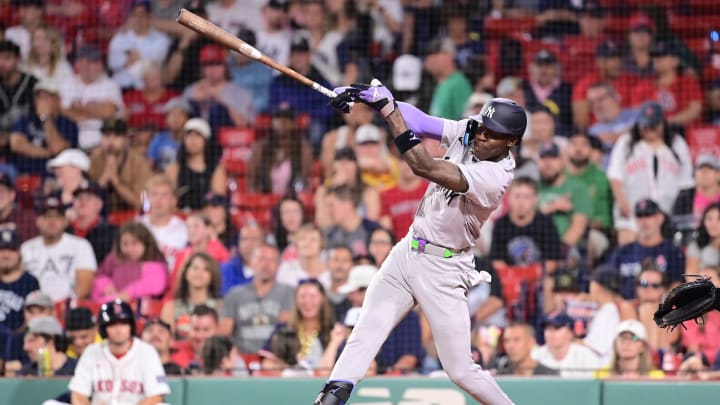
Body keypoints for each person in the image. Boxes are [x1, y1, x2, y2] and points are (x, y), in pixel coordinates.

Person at [316, 83, 528, 403]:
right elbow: (421, 122)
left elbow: (423, 165)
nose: (482, 134)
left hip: (444, 267)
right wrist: (370, 99)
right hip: (409, 249)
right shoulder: (473, 130)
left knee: (461, 371)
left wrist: (388, 110)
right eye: (484, 126)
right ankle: (331, 396)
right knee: (368, 326)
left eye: (493, 133)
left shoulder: (495, 176)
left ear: (511, 142)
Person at [607, 101, 693, 245]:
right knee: (629, 249)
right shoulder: (626, 143)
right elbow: (615, 175)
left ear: (662, 123)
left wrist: (678, 214)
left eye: (653, 126)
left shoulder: (676, 143)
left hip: (667, 213)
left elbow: (686, 183)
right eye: (645, 126)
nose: (649, 130)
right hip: (633, 213)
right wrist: (622, 202)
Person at [69, 299, 171, 405]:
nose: (118, 330)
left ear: (130, 326)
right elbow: (78, 393)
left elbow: (156, 395)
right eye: (113, 325)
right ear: (104, 329)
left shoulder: (146, 352)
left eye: (123, 324)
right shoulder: (92, 351)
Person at [219, 243, 294, 355]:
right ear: (251, 263)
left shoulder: (289, 293)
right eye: (261, 259)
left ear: (278, 265)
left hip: (278, 358)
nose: (266, 265)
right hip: (242, 360)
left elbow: (288, 330)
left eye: (271, 260)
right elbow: (224, 334)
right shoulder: (235, 294)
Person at [21, 195, 97, 302]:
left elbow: (84, 288)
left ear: (65, 221)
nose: (51, 221)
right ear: (38, 221)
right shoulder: (26, 248)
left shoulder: (81, 246)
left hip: (68, 310)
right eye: (47, 216)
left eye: (57, 217)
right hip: (33, 310)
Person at [609, 198, 685, 299]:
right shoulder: (622, 252)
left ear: (660, 218)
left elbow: (676, 286)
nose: (644, 221)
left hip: (660, 309)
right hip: (624, 308)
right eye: (640, 216)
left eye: (648, 215)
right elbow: (608, 283)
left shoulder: (673, 252)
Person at [259, 278, 336, 373]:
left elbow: (329, 372)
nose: (307, 301)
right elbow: (267, 364)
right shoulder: (283, 329)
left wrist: (334, 342)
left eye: (313, 296)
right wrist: (294, 370)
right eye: (302, 296)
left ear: (322, 299)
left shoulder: (333, 331)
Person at [60, 44, 124, 150]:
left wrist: (78, 109)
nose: (98, 66)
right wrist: (96, 110)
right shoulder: (68, 83)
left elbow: (109, 111)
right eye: (91, 62)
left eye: (98, 62)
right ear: (79, 64)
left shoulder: (110, 85)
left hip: (101, 141)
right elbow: (62, 110)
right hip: (71, 140)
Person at [10, 79, 78, 176]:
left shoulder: (68, 123)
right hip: (23, 175)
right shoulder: (26, 119)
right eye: (38, 97)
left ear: (58, 100)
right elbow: (16, 144)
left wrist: (45, 119)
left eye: (46, 97)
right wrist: (48, 153)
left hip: (54, 177)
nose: (41, 101)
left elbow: (58, 150)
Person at [91, 221, 168, 304]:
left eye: (134, 243)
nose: (130, 248)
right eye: (125, 244)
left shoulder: (154, 260)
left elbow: (155, 285)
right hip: (113, 304)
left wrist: (128, 293)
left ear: (146, 243)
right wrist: (105, 286)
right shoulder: (114, 258)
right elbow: (100, 276)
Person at [88, 118, 153, 213]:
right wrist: (104, 179)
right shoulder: (94, 160)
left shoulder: (140, 163)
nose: (111, 141)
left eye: (116, 136)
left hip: (131, 216)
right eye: (107, 136)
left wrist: (117, 182)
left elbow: (143, 204)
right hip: (100, 216)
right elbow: (86, 198)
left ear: (126, 139)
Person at [166, 117, 227, 212]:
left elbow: (218, 203)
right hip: (178, 216)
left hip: (206, 219)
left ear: (206, 140)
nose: (192, 140)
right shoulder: (174, 168)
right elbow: (167, 198)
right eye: (189, 135)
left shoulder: (216, 170)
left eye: (197, 135)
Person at [0, 227, 40, 373]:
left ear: (19, 253)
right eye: (2, 249)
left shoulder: (30, 282)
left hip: (17, 344)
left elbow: (35, 317)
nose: (5, 255)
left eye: (11, 250)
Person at [107, 0, 170, 90]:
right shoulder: (119, 38)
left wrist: (130, 59)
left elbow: (152, 65)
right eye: (134, 15)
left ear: (149, 17)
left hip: (144, 89)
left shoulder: (161, 39)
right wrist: (129, 60)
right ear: (130, 17)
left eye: (142, 15)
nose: (138, 19)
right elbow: (112, 64)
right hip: (120, 87)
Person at [161, 252, 222, 340]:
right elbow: (167, 341)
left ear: (212, 275)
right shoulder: (171, 307)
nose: (199, 273)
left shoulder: (220, 306)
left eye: (206, 269)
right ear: (186, 272)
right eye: (195, 268)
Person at [139, 174, 188, 270]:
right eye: (154, 194)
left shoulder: (185, 229)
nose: (159, 200)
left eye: (164, 195)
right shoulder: (137, 226)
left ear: (174, 201)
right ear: (147, 198)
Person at [533, 312, 600, 377]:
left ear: (570, 333)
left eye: (557, 328)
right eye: (547, 328)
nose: (551, 332)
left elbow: (594, 385)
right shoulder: (536, 355)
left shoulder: (586, 356)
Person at [67, 180, 117, 264]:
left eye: (88, 198)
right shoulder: (64, 231)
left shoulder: (111, 232)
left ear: (99, 204)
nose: (83, 202)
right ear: (73, 203)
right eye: (79, 198)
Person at [593, 320, 664, 378]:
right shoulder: (601, 375)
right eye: (622, 337)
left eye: (634, 338)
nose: (626, 342)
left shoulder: (656, 376)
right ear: (615, 344)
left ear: (643, 346)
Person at [276, 223, 330, 288]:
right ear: (296, 244)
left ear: (321, 245)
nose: (307, 243)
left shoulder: (330, 272)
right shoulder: (287, 269)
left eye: (313, 240)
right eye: (303, 239)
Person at [170, 304, 219, 371]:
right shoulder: (172, 351)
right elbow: (159, 378)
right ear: (189, 329)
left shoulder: (228, 355)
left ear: (217, 330)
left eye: (206, 329)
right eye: (196, 329)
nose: (200, 336)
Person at [219, 223, 264, 295]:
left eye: (254, 239)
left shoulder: (271, 271)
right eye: (244, 239)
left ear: (263, 244)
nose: (248, 244)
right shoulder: (225, 270)